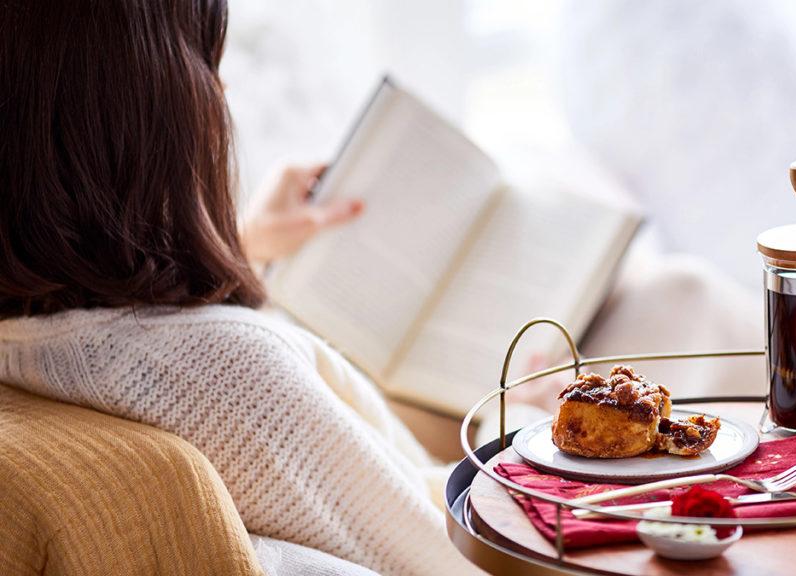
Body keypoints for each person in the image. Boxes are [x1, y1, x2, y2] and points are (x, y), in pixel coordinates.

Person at [0, 1, 482, 574]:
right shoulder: (234, 381)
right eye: (206, 65)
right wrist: (528, 427)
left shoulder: (30, 334)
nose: (222, 94)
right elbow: (447, 556)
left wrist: (241, 244)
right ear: (158, 108)